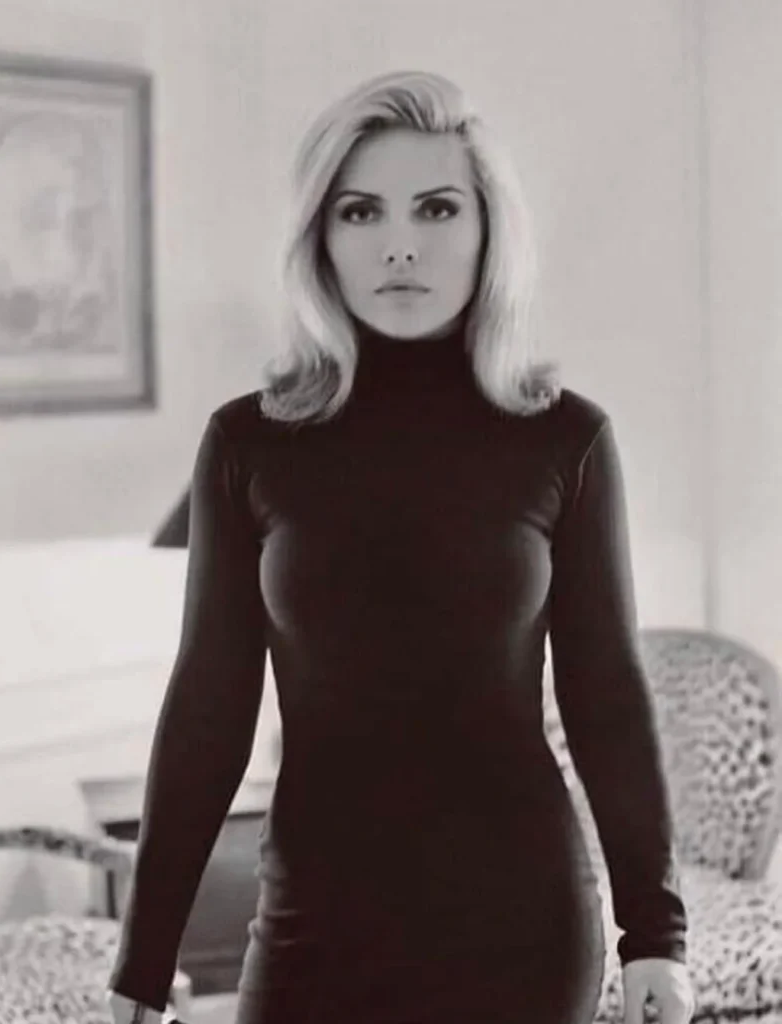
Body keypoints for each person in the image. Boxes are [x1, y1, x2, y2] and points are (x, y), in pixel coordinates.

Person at [106, 70, 696, 1024]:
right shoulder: (250, 444)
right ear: (321, 238)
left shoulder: (564, 438)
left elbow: (608, 703)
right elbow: (209, 709)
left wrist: (655, 937)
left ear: (489, 229)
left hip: (522, 932)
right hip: (311, 933)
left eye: (436, 207)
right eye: (361, 211)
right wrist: (144, 962)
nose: (401, 244)